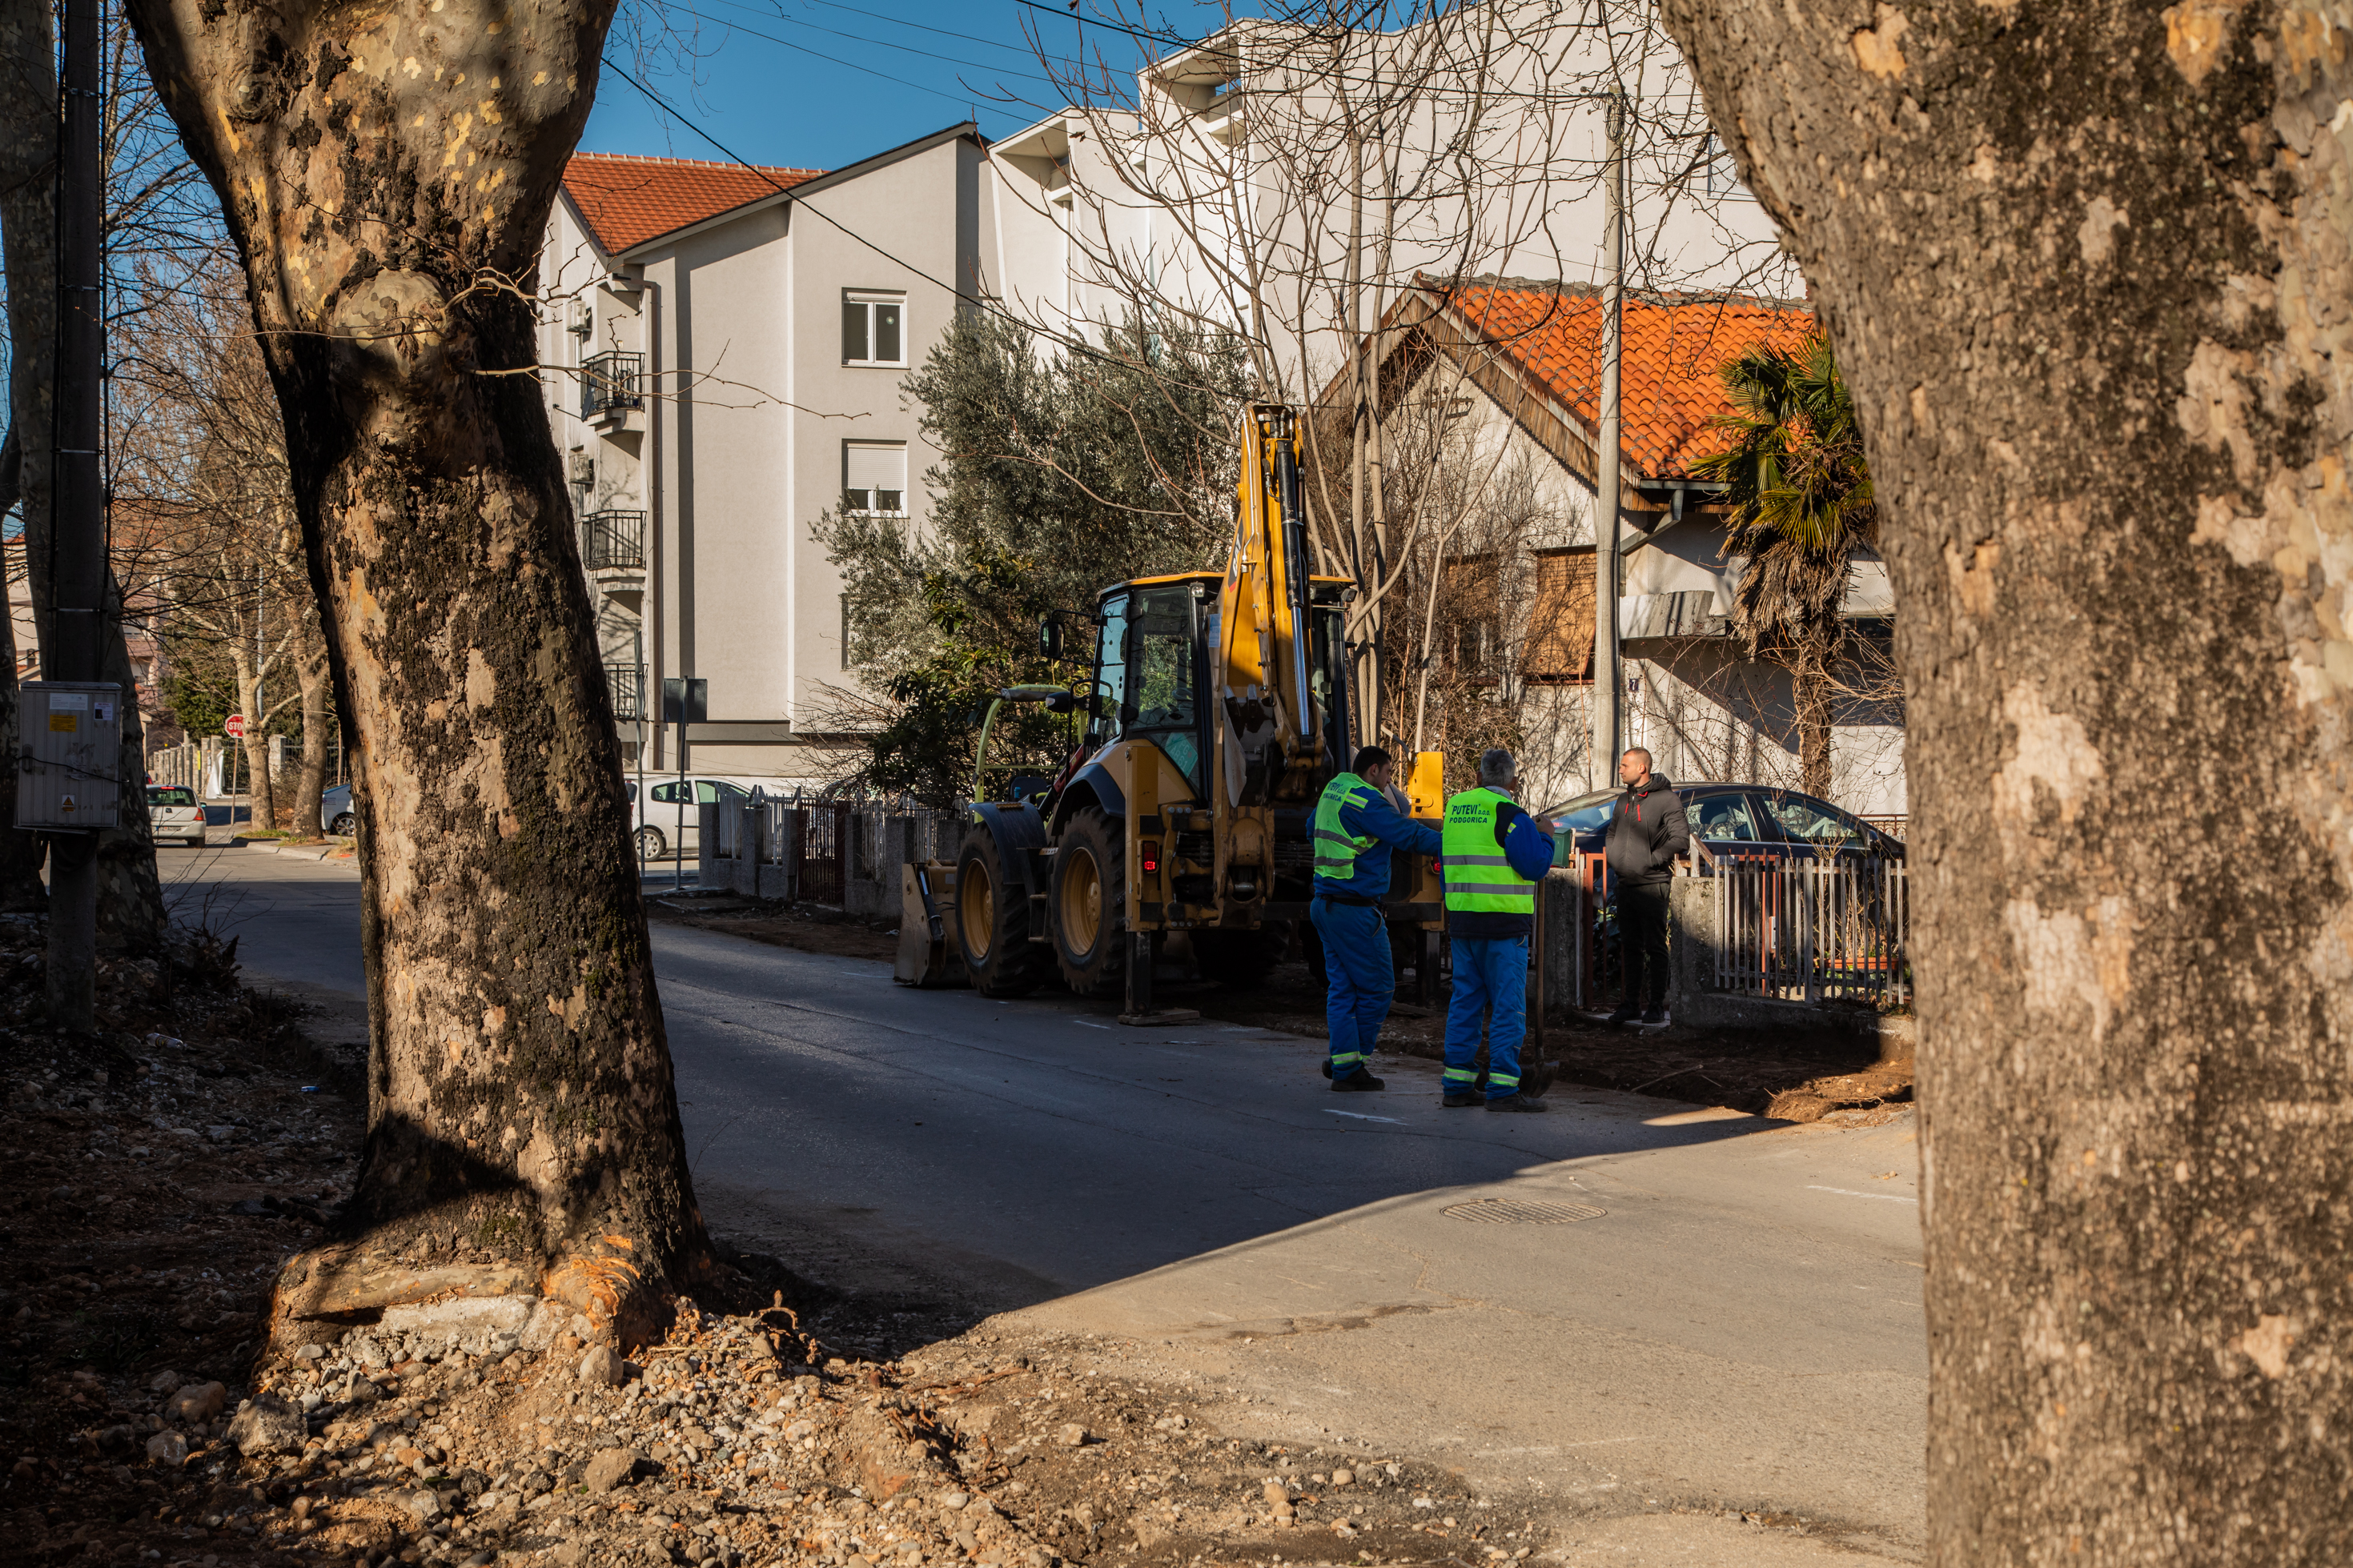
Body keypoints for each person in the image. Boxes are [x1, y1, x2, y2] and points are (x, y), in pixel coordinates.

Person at [1310, 745, 1442, 1091]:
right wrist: (1453, 844)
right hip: (1355, 909)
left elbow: (1312, 828)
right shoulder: (1367, 800)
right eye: (1387, 774)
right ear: (1372, 771)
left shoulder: (1335, 789)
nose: (1388, 782)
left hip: (1324, 904)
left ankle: (1342, 1062)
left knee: (1342, 989)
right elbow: (1409, 834)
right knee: (1380, 987)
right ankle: (1352, 1064)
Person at [1440, 748, 1557, 1113]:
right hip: (1503, 928)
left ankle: (1457, 1085)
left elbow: (1447, 864)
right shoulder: (1512, 815)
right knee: (1507, 1008)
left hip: (1462, 923)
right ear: (1514, 783)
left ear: (1478, 778)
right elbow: (1535, 865)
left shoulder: (1455, 810)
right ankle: (1503, 1090)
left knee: (1465, 1003)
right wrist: (1547, 836)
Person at [1604, 746, 1688, 1028]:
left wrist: (1652, 861)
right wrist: (1614, 857)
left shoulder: (1667, 800)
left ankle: (1655, 1005)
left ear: (1642, 768)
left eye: (1625, 764)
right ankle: (1630, 1005)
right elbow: (1612, 832)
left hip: (1653, 884)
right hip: (1626, 883)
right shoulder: (1622, 800)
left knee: (1655, 945)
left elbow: (1680, 838)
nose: (1620, 769)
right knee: (1630, 946)